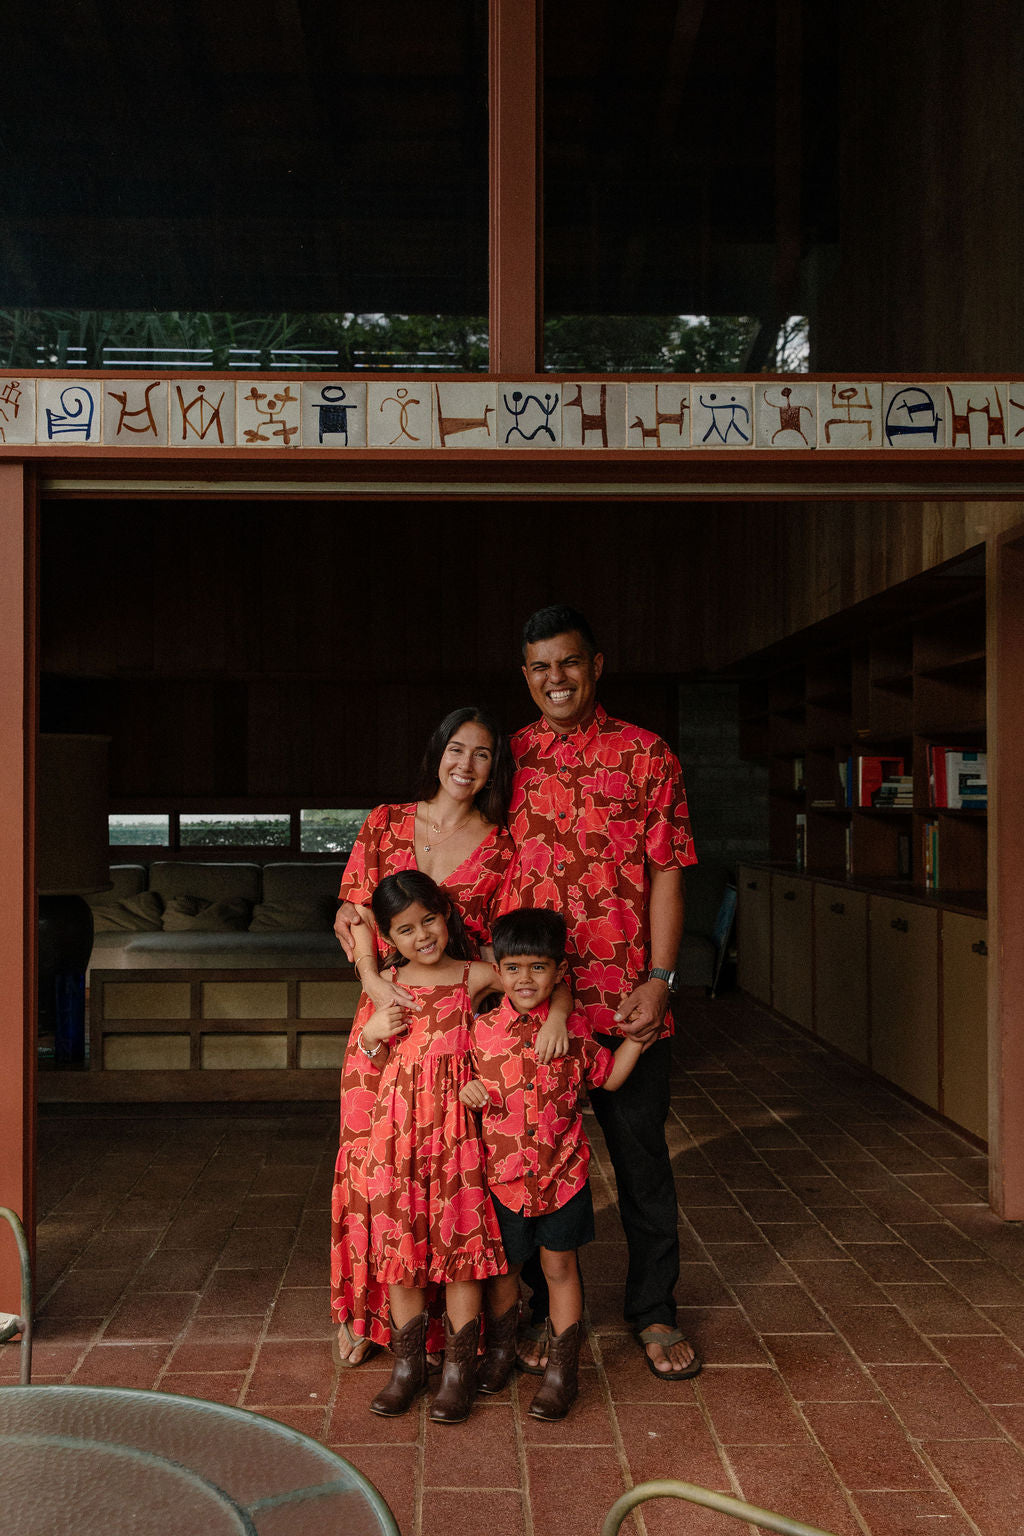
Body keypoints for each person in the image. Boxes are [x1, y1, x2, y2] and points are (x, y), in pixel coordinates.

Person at [330, 706, 569, 1367]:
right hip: (384, 1021)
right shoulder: (384, 822)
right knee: (370, 1171)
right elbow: (351, 914)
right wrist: (376, 985)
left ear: (496, 768)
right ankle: (365, 1318)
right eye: (456, 749)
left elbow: (509, 951)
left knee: (450, 1175)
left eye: (483, 754)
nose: (466, 764)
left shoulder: (500, 847)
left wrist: (532, 1021)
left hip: (455, 1028)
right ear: (437, 752)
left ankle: (452, 1339)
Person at [504, 604, 701, 1381]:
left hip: (626, 1007)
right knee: (521, 1166)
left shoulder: (648, 756)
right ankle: (531, 1307)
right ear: (526, 676)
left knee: (643, 1161)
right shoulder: (508, 758)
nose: (557, 678)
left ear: (597, 665)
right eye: (541, 667)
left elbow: (668, 875)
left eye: (569, 663)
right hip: (526, 1006)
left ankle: (653, 1310)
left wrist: (660, 981)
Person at [460, 908, 643, 1420]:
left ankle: (564, 1371)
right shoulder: (478, 1034)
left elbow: (606, 1080)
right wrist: (467, 1090)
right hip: (502, 1180)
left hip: (563, 1175)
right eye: (513, 967)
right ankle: (499, 1352)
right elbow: (456, 1085)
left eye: (538, 968)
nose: (525, 979)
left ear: (559, 971)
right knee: (503, 1274)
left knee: (560, 1266)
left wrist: (635, 1042)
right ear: (496, 970)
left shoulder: (573, 1029)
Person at [349, 870, 507, 1424]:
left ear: (446, 916)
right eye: (406, 929)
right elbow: (366, 1058)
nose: (422, 936)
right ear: (390, 939)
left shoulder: (472, 976)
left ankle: (458, 1371)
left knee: (459, 1244)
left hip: (456, 1132)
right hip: (398, 1133)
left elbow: (540, 986)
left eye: (429, 921)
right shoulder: (386, 983)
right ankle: (407, 1366)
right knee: (401, 1248)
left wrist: (556, 1015)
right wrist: (374, 1031)